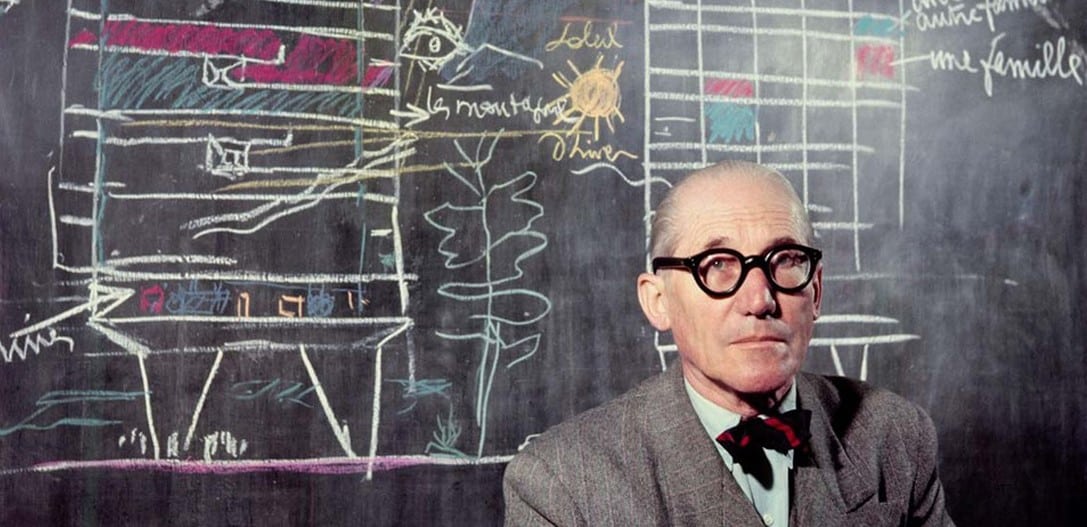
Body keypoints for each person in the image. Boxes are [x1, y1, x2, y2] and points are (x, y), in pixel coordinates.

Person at [503, 161, 954, 526]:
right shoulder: (562, 483)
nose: (760, 300)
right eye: (717, 264)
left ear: (816, 291)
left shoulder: (894, 435)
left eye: (785, 260)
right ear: (659, 301)